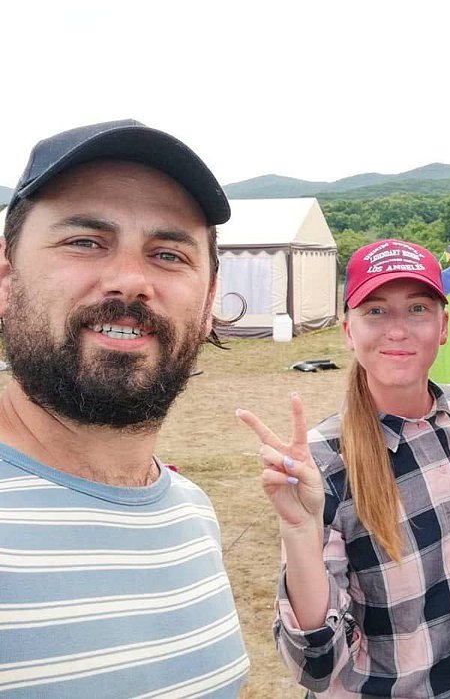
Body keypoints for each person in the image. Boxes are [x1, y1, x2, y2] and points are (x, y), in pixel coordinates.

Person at [0, 120, 249, 696]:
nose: (131, 281)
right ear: (6, 279)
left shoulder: (191, 514)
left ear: (209, 301)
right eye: (85, 242)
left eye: (168, 254)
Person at [239, 239, 450, 697]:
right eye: (375, 311)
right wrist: (299, 531)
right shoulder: (321, 460)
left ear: (443, 326)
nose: (397, 330)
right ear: (348, 331)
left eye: (417, 309)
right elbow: (316, 667)